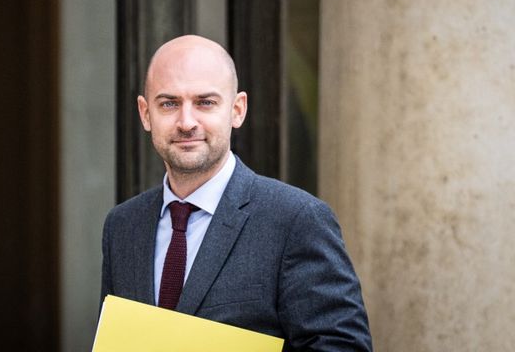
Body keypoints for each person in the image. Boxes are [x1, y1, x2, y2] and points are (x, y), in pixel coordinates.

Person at [100, 35, 372, 351]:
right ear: (146, 114)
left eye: (205, 102)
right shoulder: (122, 227)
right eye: (169, 103)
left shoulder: (296, 220)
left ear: (237, 109)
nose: (186, 122)